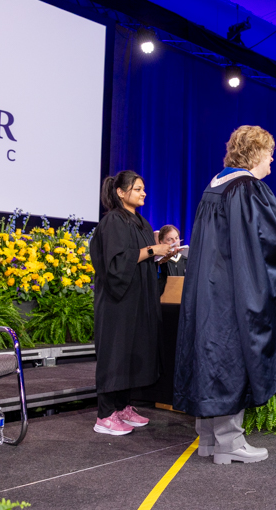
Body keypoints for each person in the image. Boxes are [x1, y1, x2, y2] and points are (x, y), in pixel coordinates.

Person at [174, 125, 276, 465]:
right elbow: (262, 244)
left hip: (209, 290)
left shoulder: (215, 185)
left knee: (210, 354)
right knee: (230, 356)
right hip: (233, 291)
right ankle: (229, 442)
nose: (272, 161)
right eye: (270, 154)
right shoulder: (248, 188)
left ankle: (208, 439)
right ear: (256, 153)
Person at [90, 170, 177, 436]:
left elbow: (139, 258)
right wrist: (152, 250)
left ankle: (122, 406)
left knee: (132, 352)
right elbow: (117, 262)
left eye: (143, 189)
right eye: (137, 189)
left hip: (137, 300)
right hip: (118, 303)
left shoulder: (139, 222)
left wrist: (159, 257)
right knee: (116, 354)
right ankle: (105, 415)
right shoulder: (113, 221)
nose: (143, 193)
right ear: (120, 192)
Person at [156, 224, 187, 295]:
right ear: (161, 242)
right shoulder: (159, 262)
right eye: (170, 239)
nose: (175, 242)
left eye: (176, 238)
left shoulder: (186, 260)